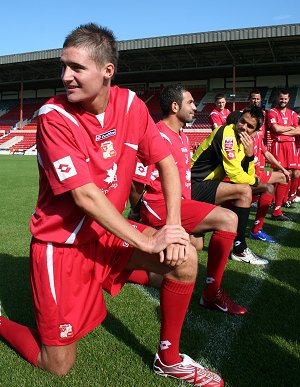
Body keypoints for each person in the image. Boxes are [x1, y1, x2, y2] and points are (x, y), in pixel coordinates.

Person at [0, 24, 224, 387]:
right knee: (56, 363)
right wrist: (148, 241)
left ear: (107, 71)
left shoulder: (131, 104)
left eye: (76, 68)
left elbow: (165, 162)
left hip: (105, 232)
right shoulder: (52, 117)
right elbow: (85, 196)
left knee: (183, 259)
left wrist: (174, 226)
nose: (65, 77)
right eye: (64, 67)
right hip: (62, 248)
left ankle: (168, 358)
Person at [131, 84, 247, 315]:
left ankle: (127, 270)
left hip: (180, 205)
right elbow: (136, 181)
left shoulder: (182, 137)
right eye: (191, 103)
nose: (196, 107)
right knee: (228, 219)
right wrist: (137, 211)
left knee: (192, 251)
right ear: (175, 106)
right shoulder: (155, 135)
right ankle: (212, 294)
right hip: (159, 207)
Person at [191, 105, 269, 265]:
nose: (243, 127)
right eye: (242, 121)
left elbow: (245, 173)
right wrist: (256, 182)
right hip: (192, 185)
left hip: (204, 187)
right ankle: (240, 247)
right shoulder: (226, 133)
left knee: (195, 245)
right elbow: (236, 175)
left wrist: (249, 156)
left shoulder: (242, 142)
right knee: (244, 191)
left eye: (249, 126)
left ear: (255, 132)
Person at [247, 90, 291, 242]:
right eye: (253, 98)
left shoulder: (259, 134)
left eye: (258, 99)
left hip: (258, 168)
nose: (256, 101)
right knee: (266, 188)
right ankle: (256, 228)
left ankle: (275, 210)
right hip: (249, 172)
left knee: (284, 177)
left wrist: (283, 168)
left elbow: (266, 153)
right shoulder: (246, 132)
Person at [267, 89, 300, 220]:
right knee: (281, 175)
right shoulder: (272, 112)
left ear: (289, 99)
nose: (283, 101)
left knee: (292, 174)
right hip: (279, 146)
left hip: (290, 146)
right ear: (277, 98)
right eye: (281, 98)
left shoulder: (292, 113)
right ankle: (276, 207)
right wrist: (290, 128)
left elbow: (298, 130)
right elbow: (275, 129)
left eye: (285, 99)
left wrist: (283, 130)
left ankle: (279, 203)